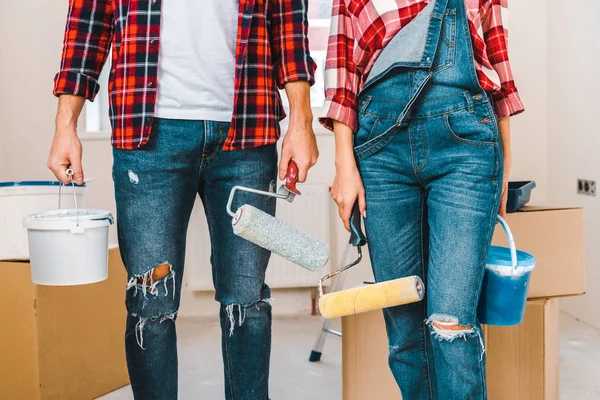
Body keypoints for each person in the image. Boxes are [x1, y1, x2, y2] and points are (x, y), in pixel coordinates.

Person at [48, 1, 318, 399]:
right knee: (149, 303)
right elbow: (88, 24)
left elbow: (289, 24)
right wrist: (65, 124)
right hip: (148, 134)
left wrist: (301, 121)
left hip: (247, 129)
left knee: (248, 302)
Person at [320, 0, 523, 398]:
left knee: (452, 325)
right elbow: (342, 72)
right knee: (405, 333)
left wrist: (506, 162)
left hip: (464, 146)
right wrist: (344, 163)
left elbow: (497, 58)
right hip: (380, 154)